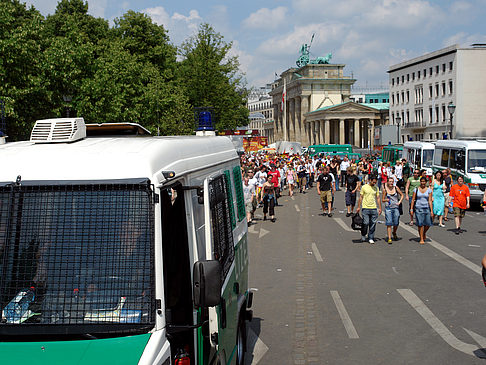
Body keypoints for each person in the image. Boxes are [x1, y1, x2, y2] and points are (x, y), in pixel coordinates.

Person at [356, 175, 382, 244]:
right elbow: (361, 197)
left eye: (375, 182)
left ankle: (371, 237)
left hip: (373, 208)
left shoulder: (376, 188)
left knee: (373, 223)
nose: (374, 183)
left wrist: (380, 208)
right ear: (369, 180)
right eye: (373, 182)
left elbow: (378, 198)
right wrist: (358, 207)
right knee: (366, 223)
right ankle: (363, 234)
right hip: (365, 207)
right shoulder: (364, 187)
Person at [410, 177, 434, 244]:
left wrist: (431, 211)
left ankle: (423, 233)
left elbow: (430, 200)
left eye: (424, 182)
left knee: (428, 223)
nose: (422, 183)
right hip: (418, 208)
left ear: (426, 182)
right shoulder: (416, 189)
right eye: (421, 181)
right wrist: (411, 209)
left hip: (426, 207)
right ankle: (421, 238)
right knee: (420, 224)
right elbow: (413, 199)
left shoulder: (429, 190)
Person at [382, 176, 404, 244]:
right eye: (390, 181)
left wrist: (399, 202)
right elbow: (382, 199)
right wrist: (386, 200)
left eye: (392, 181)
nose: (391, 183)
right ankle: (389, 238)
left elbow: (402, 195)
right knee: (389, 223)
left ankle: (394, 232)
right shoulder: (385, 190)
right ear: (388, 182)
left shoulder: (396, 188)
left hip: (396, 207)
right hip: (388, 208)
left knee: (396, 222)